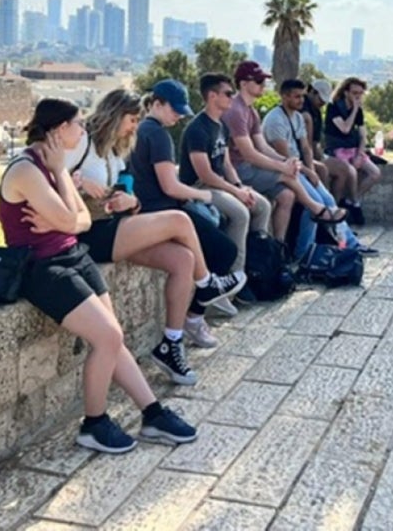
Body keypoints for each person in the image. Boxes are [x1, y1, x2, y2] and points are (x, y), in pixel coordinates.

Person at [0, 98, 197, 453]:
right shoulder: (27, 169)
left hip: (73, 254)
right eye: (77, 124)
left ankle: (152, 413)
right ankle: (93, 424)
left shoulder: (52, 164)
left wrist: (65, 214)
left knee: (113, 337)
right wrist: (62, 184)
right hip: (42, 268)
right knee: (108, 336)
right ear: (59, 130)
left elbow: (82, 221)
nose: (82, 129)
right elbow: (67, 220)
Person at [73, 89, 244, 387]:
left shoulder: (115, 150)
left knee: (183, 260)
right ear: (115, 115)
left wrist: (130, 201)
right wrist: (77, 182)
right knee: (180, 220)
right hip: (91, 234)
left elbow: (128, 193)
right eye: (132, 119)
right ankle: (207, 284)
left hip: (116, 224)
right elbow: (49, 174)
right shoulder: (81, 143)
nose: (134, 127)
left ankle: (171, 344)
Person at [129, 79, 245, 343]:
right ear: (157, 104)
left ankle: (196, 314)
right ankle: (194, 317)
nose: (179, 116)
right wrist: (203, 195)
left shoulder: (141, 130)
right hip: (163, 210)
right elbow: (170, 186)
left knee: (205, 252)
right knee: (224, 251)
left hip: (146, 210)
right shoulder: (158, 134)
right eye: (175, 110)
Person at [222, 61, 349, 247]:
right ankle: (316, 210)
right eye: (258, 81)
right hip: (237, 170)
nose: (263, 85)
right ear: (243, 84)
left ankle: (278, 246)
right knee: (287, 176)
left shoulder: (251, 111)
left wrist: (287, 161)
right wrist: (284, 166)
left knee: (287, 196)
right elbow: (249, 153)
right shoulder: (236, 111)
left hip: (249, 168)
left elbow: (263, 146)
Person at [179, 73, 273, 297]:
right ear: (212, 96)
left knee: (263, 206)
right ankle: (235, 280)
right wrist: (236, 193)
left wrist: (241, 187)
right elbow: (205, 174)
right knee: (240, 213)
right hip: (200, 188)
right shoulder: (197, 129)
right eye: (228, 93)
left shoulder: (221, 125)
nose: (232, 98)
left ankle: (258, 265)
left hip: (221, 185)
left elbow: (227, 163)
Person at [261, 78, 377, 257]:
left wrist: (311, 171)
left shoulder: (297, 116)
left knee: (327, 199)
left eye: (302, 96)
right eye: (296, 97)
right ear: (284, 97)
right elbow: (284, 156)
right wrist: (307, 171)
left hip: (297, 167)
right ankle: (305, 251)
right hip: (283, 169)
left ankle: (345, 243)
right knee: (315, 203)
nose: (300, 100)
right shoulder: (276, 120)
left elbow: (306, 148)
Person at [306, 78, 364, 222]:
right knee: (326, 171)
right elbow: (307, 145)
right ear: (312, 93)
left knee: (342, 170)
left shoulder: (316, 113)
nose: (322, 103)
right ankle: (329, 211)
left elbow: (315, 142)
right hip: (317, 154)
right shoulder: (308, 113)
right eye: (320, 98)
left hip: (318, 154)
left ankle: (336, 207)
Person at [323, 77, 382, 211]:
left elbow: (362, 134)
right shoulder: (334, 107)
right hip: (337, 148)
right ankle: (355, 204)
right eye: (355, 93)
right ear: (346, 92)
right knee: (351, 173)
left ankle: (352, 199)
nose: (358, 96)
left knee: (375, 173)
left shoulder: (359, 111)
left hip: (353, 148)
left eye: (360, 93)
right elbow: (345, 128)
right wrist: (355, 109)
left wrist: (360, 154)